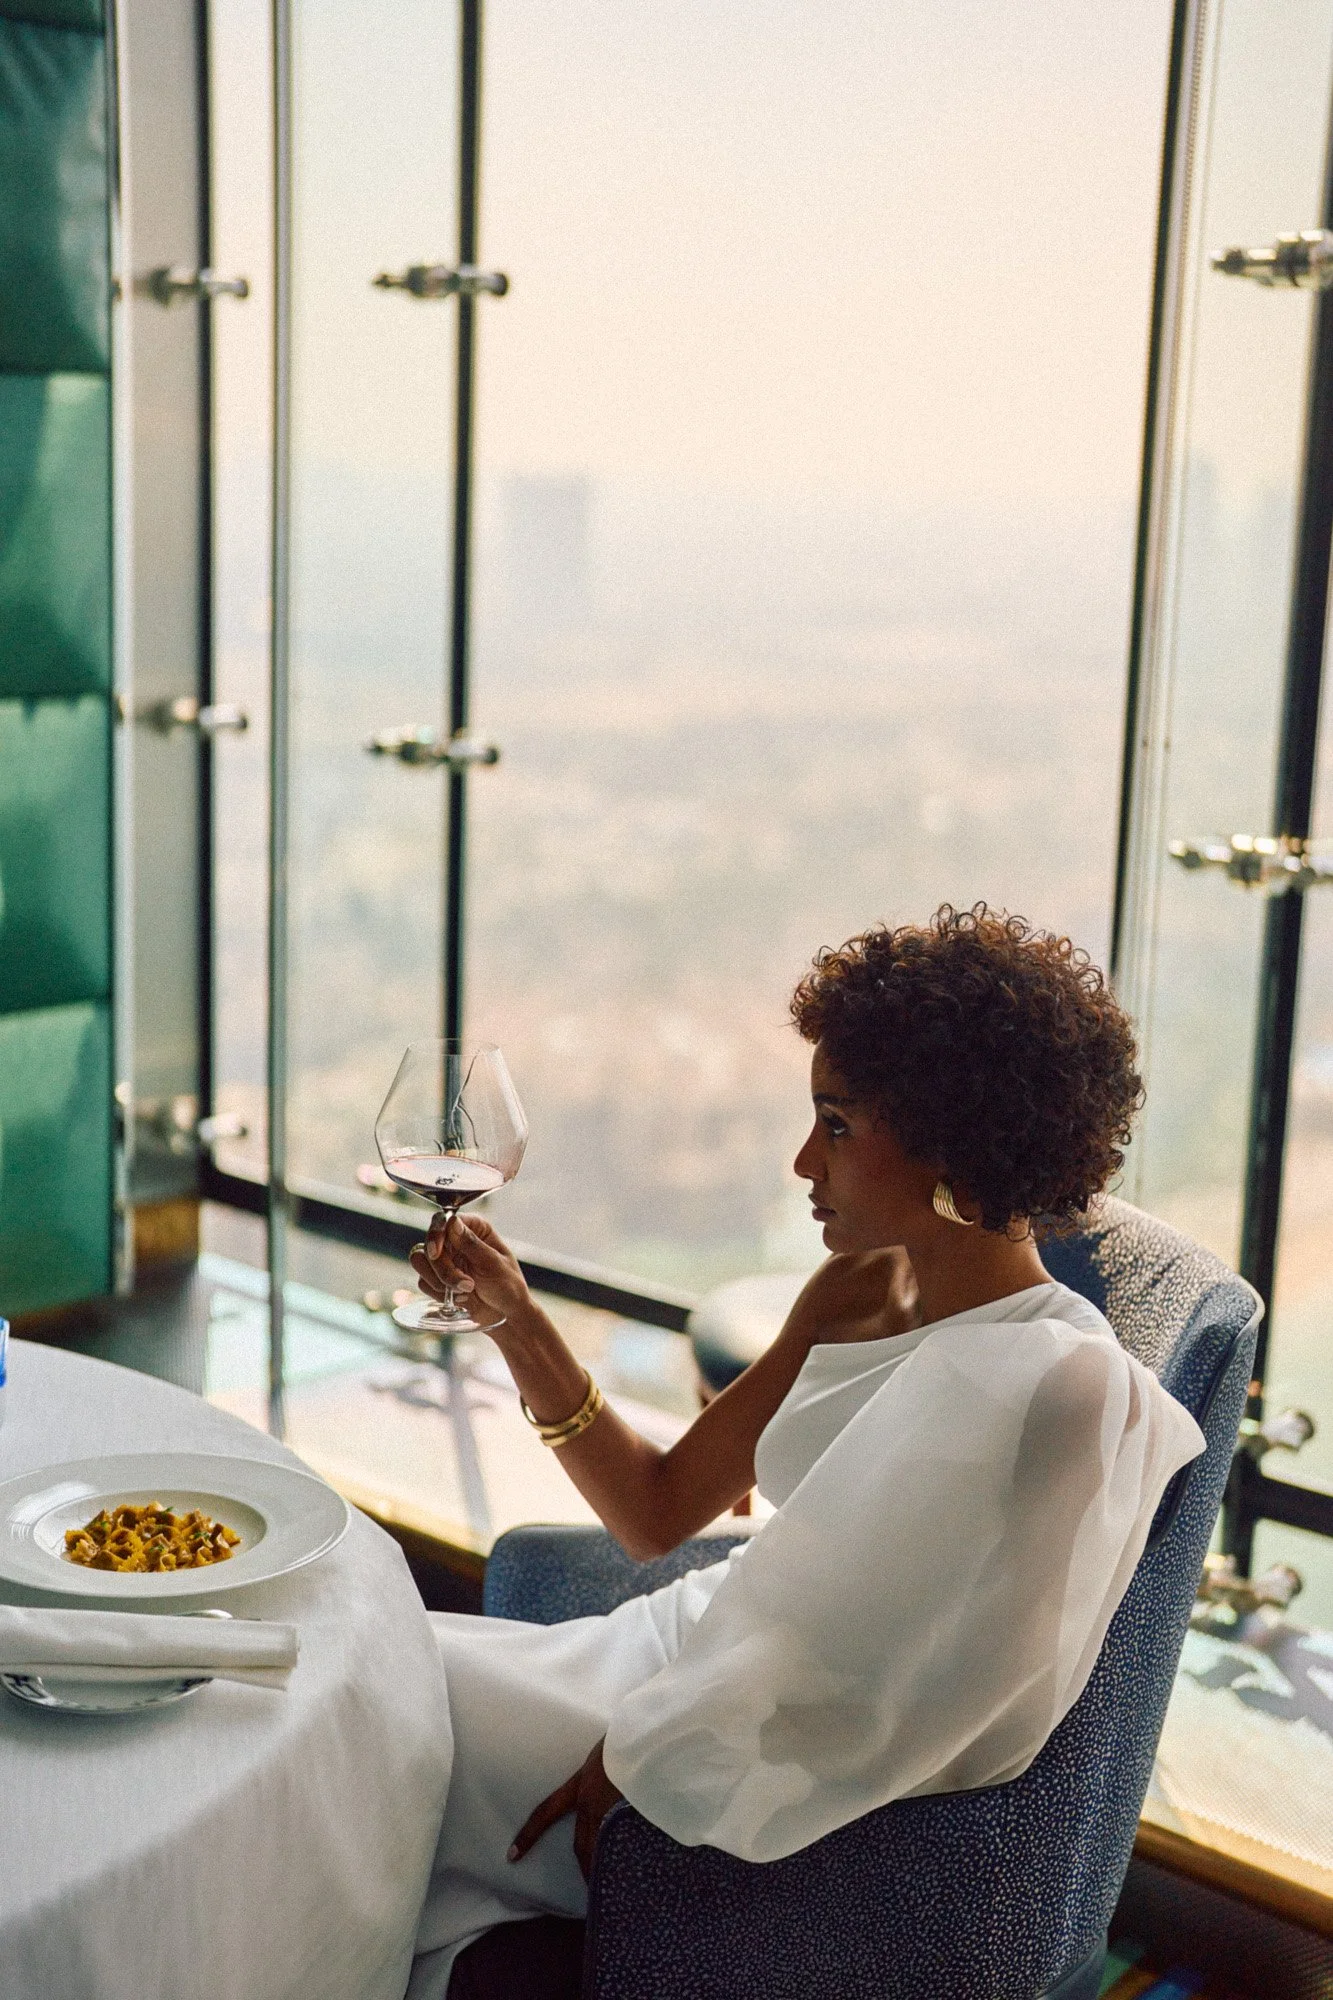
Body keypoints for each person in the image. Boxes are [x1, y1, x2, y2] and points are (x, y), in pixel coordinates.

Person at [406, 906, 1204, 1998]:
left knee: (379, 1716)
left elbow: (977, 1721)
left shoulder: (1065, 1390)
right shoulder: (858, 1286)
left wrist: (648, 1754)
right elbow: (657, 1508)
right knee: (375, 1670)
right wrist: (513, 1317)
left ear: (948, 1137)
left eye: (834, 1123)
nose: (799, 1160)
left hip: (733, 1755)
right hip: (678, 1651)